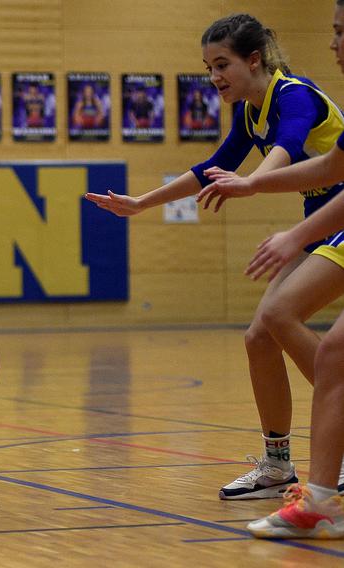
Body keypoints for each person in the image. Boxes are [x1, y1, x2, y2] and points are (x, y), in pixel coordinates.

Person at [85, 13, 344, 501]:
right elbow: (213, 166)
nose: (214, 77)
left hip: (338, 214)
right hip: (321, 217)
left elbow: (288, 148)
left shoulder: (294, 94)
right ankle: (277, 464)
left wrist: (251, 183)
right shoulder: (250, 111)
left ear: (254, 59)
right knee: (259, 337)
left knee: (278, 313)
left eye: (222, 64)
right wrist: (141, 203)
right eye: (208, 67)